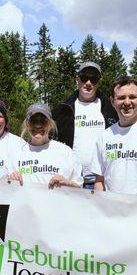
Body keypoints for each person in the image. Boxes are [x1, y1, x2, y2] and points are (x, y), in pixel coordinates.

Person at [51, 61, 118, 189]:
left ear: (99, 82)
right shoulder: (63, 109)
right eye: (84, 78)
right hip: (72, 182)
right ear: (77, 79)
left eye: (93, 79)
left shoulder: (112, 108)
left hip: (104, 182)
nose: (88, 83)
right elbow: (48, 141)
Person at [8, 102, 83, 189]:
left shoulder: (66, 152)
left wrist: (66, 182)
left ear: (51, 124)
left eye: (43, 121)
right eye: (34, 121)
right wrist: (11, 178)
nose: (38, 125)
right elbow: (5, 188)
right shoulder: (16, 153)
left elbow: (79, 186)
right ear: (27, 124)